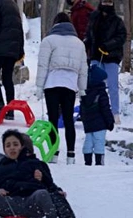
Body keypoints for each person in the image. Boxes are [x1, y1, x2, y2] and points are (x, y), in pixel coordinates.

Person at [0, 133, 88, 218]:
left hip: (35, 202)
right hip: (15, 203)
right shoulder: (6, 167)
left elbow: (49, 184)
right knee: (53, 196)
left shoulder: (36, 165)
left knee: (56, 196)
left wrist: (55, 189)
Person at [35, 12, 88, 165]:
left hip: (52, 83)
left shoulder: (49, 40)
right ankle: (71, 155)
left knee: (52, 120)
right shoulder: (79, 43)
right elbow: (83, 69)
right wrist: (82, 88)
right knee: (68, 120)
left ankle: (54, 153)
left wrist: (39, 86)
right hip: (70, 85)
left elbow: (43, 65)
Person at [84, 0, 127, 125]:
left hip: (111, 57)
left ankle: (115, 113)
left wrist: (107, 46)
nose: (106, 5)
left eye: (109, 2)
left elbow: (121, 37)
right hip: (95, 56)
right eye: (105, 2)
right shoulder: (94, 18)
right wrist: (86, 43)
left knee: (112, 86)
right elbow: (89, 34)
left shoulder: (117, 21)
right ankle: (96, 110)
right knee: (95, 86)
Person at [80, 64, 115, 165]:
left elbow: (82, 110)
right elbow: (105, 109)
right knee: (99, 141)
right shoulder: (102, 93)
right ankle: (99, 162)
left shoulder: (85, 94)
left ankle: (87, 161)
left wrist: (84, 121)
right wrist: (110, 122)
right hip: (100, 123)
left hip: (88, 124)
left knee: (88, 141)